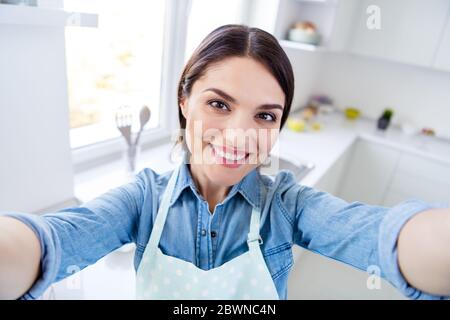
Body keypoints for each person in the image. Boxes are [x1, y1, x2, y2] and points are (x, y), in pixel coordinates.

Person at [1, 24, 449, 300]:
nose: (240, 134)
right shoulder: (143, 200)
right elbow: (51, 242)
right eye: (219, 104)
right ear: (184, 99)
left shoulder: (287, 206)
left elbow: (383, 238)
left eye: (265, 115)